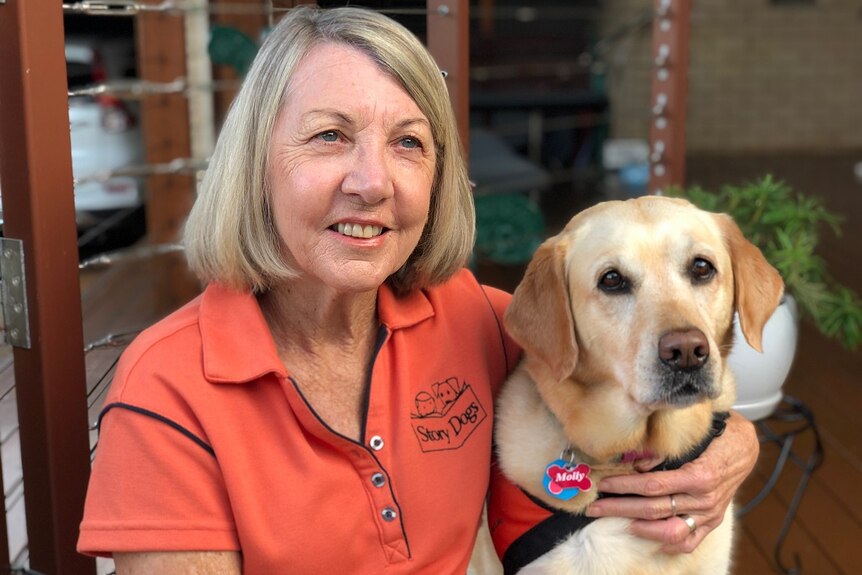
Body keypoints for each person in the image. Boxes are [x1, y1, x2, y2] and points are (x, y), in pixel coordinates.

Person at [77, 6, 759, 574]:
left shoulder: (475, 321)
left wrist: (729, 444)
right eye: (329, 135)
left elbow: (624, 358)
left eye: (408, 143)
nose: (372, 181)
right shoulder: (168, 388)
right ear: (254, 164)